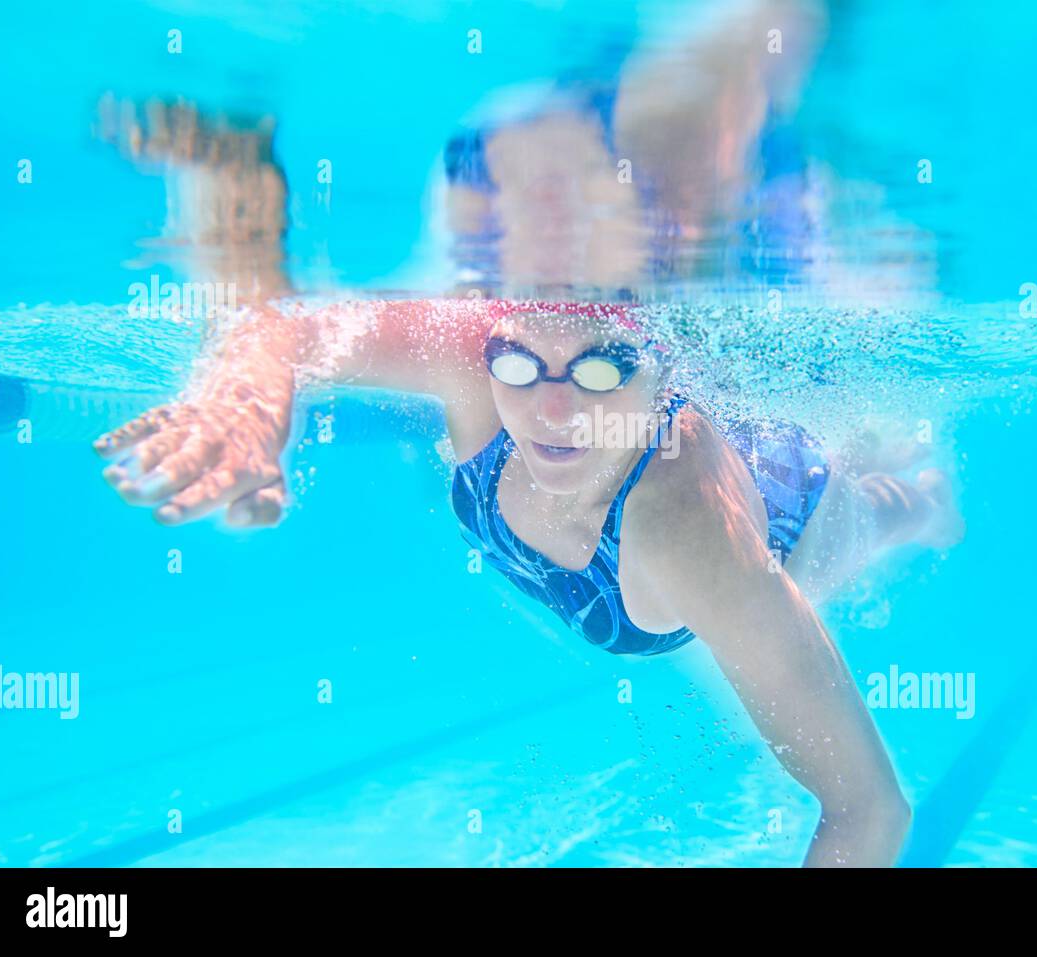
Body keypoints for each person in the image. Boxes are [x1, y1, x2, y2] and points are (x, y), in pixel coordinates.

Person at [93, 0, 960, 866]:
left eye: (600, 366)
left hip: (781, 507)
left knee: (867, 520)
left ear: (667, 363)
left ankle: (916, 496)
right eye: (519, 360)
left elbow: (868, 812)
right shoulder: (472, 352)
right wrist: (243, 406)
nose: (550, 410)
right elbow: (281, 324)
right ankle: (238, 173)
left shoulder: (692, 527)